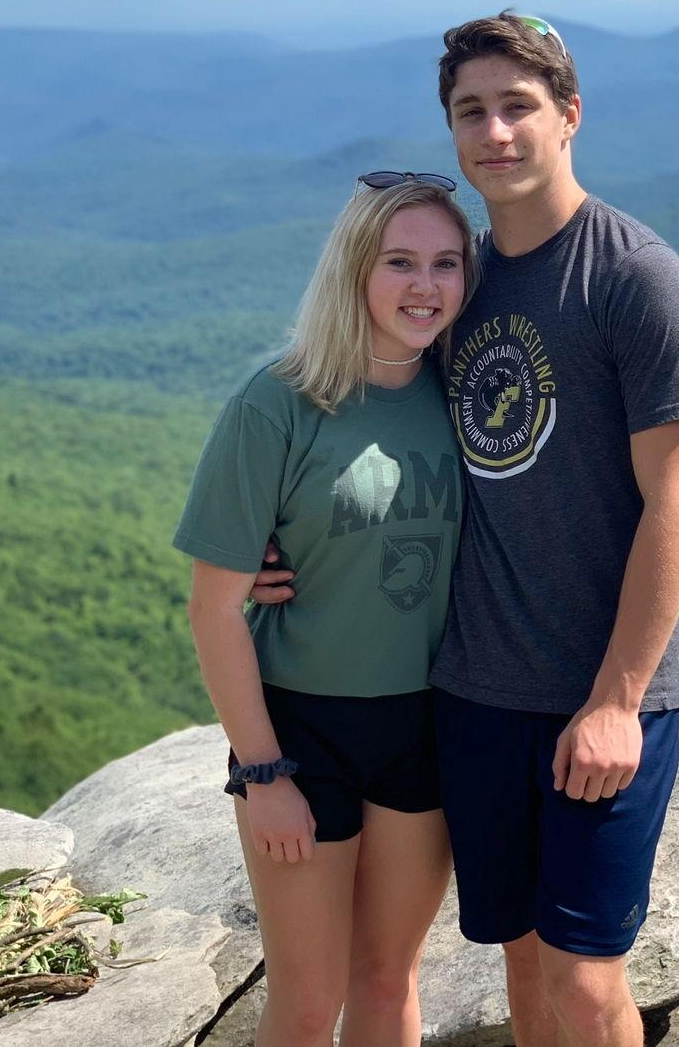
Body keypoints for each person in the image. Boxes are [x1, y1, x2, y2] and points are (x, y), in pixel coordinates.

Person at [255, 13, 679, 1047]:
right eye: (472, 111)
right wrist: (287, 553)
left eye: (519, 106)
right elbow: (371, 431)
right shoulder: (456, 282)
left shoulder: (635, 279)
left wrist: (617, 700)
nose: (494, 131)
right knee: (519, 958)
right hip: (474, 696)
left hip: (600, 700)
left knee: (587, 980)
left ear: (570, 116)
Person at [174, 175, 479, 1047]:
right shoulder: (277, 402)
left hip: (425, 721)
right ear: (354, 268)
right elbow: (215, 610)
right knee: (308, 1004)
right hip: (302, 732)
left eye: (447, 264)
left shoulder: (463, 399)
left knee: (388, 981)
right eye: (400, 262)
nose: (426, 286)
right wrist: (263, 773)